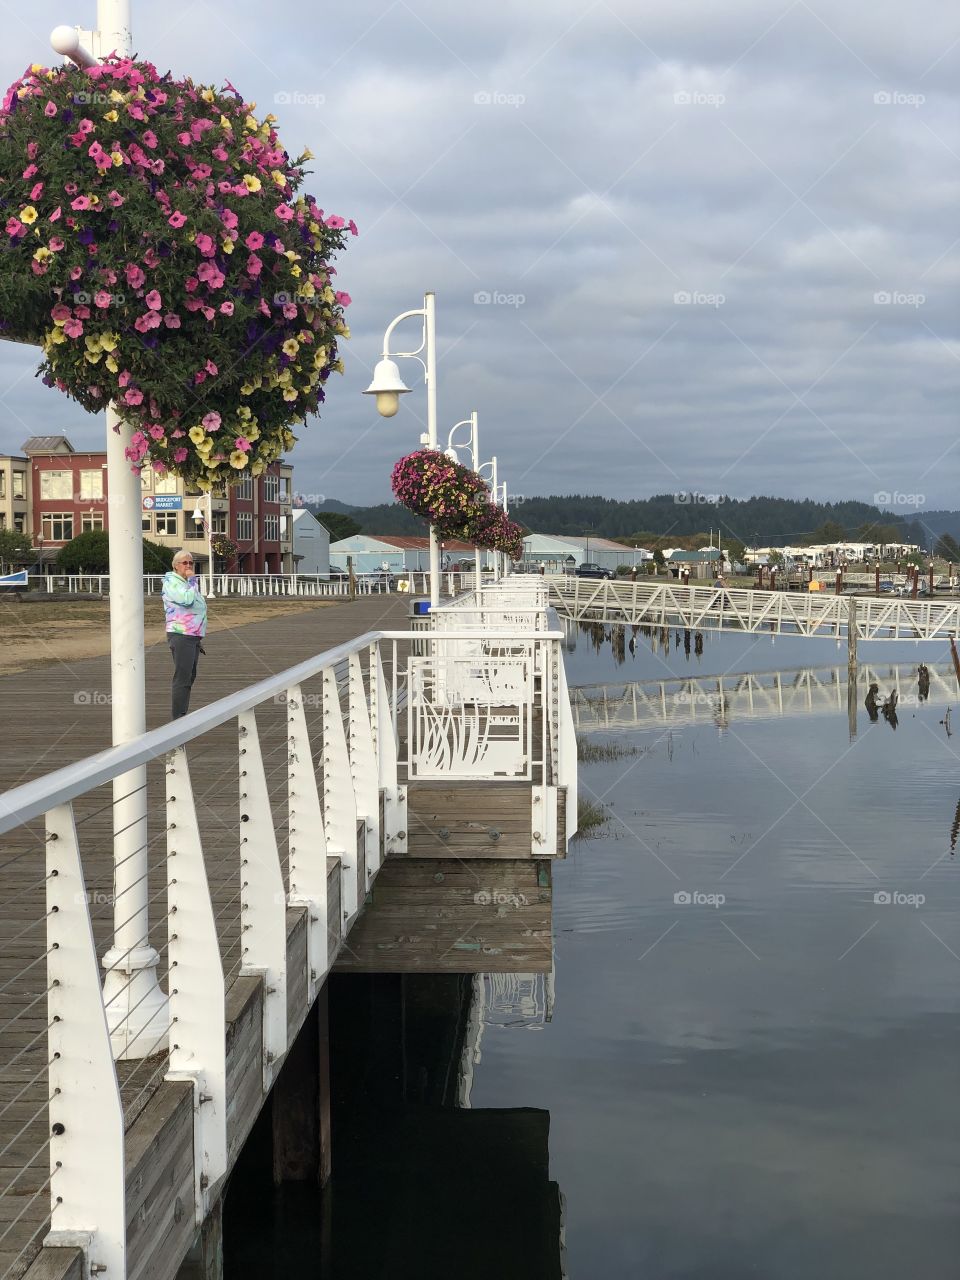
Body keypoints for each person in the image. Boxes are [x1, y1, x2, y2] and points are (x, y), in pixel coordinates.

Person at [162, 549, 207, 719]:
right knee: (183, 677)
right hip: (181, 634)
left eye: (191, 563)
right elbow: (187, 600)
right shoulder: (172, 583)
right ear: (175, 566)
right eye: (185, 563)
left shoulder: (184, 583)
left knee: (190, 675)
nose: (188, 566)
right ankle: (178, 718)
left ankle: (182, 713)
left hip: (192, 635)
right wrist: (193, 580)